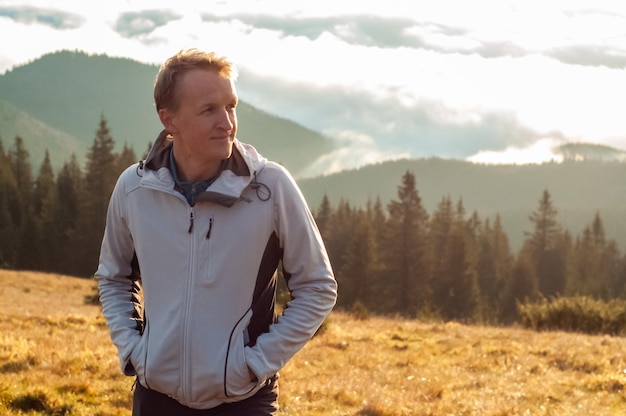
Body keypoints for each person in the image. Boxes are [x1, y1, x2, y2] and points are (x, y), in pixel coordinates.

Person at [95, 48, 338, 415]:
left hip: (242, 401)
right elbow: (114, 277)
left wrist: (256, 363)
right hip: (155, 396)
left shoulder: (270, 188)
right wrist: (134, 350)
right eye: (209, 110)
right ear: (169, 119)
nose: (227, 122)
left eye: (231, 106)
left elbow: (318, 286)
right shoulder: (134, 188)